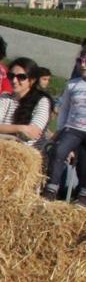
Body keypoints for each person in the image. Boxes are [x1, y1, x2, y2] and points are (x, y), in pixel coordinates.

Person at [42, 57, 86, 204]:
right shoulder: (72, 85)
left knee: (84, 161)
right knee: (58, 150)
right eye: (80, 61)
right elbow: (65, 109)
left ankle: (83, 194)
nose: (83, 65)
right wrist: (60, 130)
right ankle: (51, 188)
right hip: (73, 128)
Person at [0, 58, 51, 150]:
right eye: (11, 76)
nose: (14, 80)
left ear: (32, 80)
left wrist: (3, 129)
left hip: (27, 154)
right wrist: (21, 128)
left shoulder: (42, 101)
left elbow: (32, 135)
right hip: (1, 150)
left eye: (21, 77)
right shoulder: (5, 98)